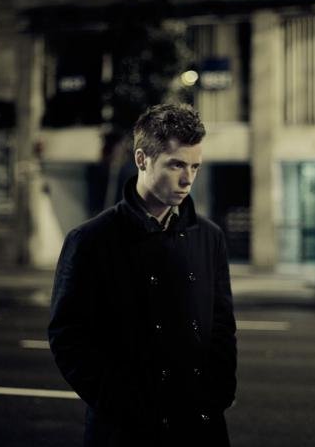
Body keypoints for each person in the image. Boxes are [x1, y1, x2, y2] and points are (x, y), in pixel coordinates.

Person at [48, 103, 237, 447]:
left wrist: (219, 392)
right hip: (126, 431)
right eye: (176, 165)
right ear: (141, 159)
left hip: (199, 425)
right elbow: (68, 336)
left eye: (195, 166)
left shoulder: (209, 237)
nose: (187, 179)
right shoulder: (91, 240)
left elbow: (222, 324)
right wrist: (120, 404)